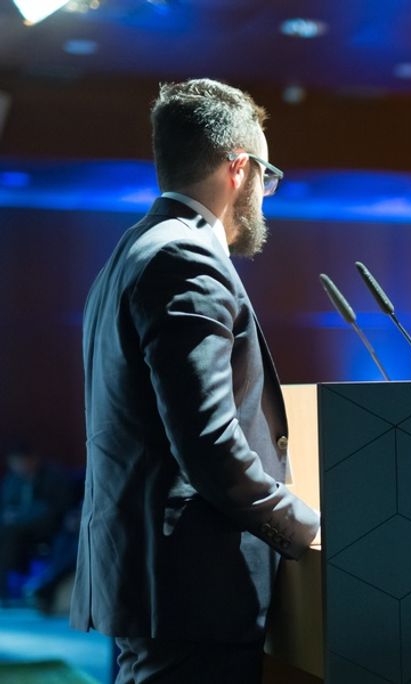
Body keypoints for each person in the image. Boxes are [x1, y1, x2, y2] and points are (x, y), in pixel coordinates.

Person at [72, 79, 320, 683]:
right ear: (240, 169)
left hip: (152, 585)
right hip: (191, 591)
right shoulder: (187, 260)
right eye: (267, 176)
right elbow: (208, 443)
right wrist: (304, 525)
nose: (266, 193)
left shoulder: (128, 253)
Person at [0, 442, 72, 602]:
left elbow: (55, 509)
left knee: (10, 533)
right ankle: (6, 585)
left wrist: (21, 515)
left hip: (47, 528)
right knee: (8, 533)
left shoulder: (53, 477)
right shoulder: (12, 480)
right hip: (17, 530)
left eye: (21, 461)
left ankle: (9, 583)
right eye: (14, 463)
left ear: (33, 459)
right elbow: (6, 505)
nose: (18, 466)